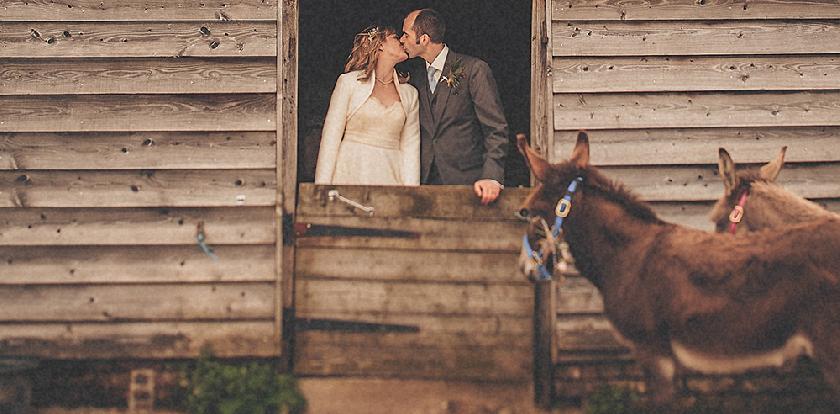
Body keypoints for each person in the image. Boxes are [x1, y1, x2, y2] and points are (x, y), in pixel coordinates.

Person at [400, 8, 509, 205]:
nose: (401, 40)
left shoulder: (474, 70)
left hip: (468, 182)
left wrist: (491, 176)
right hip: (423, 182)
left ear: (423, 39)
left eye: (406, 34)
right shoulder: (414, 77)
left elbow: (496, 129)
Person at [315, 25, 420, 186]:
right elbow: (331, 138)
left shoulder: (410, 94)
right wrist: (321, 187)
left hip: (391, 176)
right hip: (350, 172)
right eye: (394, 37)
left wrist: (411, 195)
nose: (401, 40)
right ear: (380, 45)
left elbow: (411, 148)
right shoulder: (349, 83)